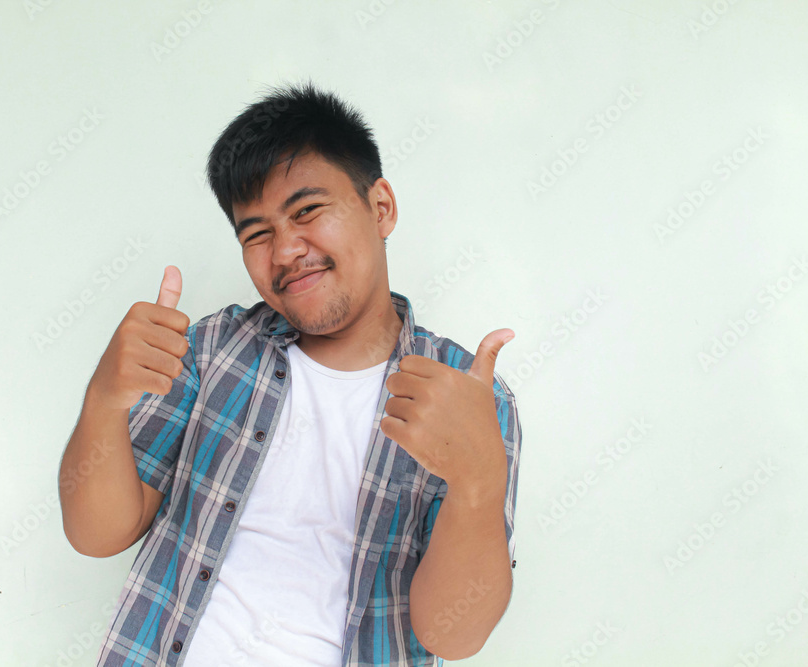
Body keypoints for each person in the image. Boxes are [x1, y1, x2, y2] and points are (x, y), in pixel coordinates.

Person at [58, 80, 522, 667]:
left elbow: (451, 637)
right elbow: (97, 535)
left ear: (381, 207)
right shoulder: (210, 350)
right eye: (257, 233)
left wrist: (478, 482)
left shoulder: (470, 395)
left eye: (307, 211)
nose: (284, 251)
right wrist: (103, 400)